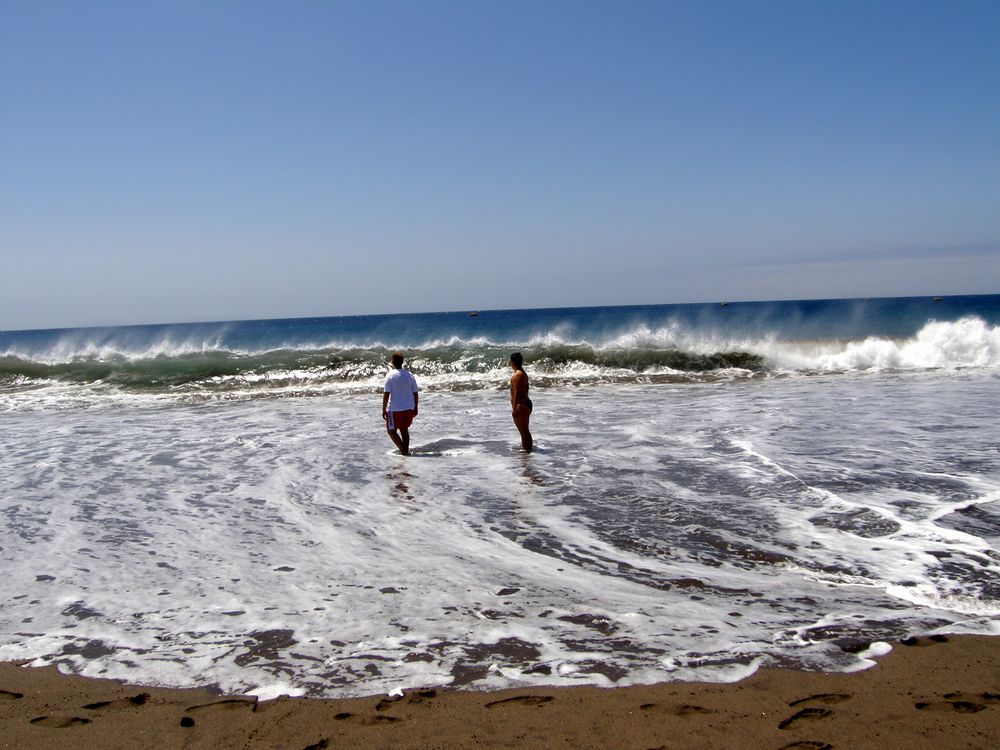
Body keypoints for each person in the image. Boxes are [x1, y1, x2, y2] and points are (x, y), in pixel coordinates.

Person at [382, 352, 419, 455]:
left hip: (395, 409)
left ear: (392, 362)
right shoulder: (409, 375)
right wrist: (416, 407)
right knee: (404, 430)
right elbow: (415, 393)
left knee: (391, 431)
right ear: (402, 362)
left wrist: (383, 409)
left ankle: (403, 451)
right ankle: (405, 452)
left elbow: (386, 394)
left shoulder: (390, 375)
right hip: (409, 408)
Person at [509, 352, 532, 452]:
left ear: (513, 362)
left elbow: (517, 392)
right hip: (525, 403)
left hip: (521, 405)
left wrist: (514, 408)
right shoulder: (523, 373)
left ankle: (527, 452)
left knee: (524, 431)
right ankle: (527, 451)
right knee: (524, 431)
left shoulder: (518, 375)